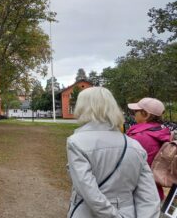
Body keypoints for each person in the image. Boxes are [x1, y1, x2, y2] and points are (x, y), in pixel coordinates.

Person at [67, 87, 160, 218]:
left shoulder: (76, 142)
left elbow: (89, 192)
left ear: (83, 107)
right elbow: (149, 197)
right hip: (127, 212)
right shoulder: (135, 145)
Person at [126, 97, 170, 200]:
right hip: (154, 190)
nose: (134, 114)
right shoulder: (160, 132)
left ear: (146, 115)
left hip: (138, 193)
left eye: (136, 111)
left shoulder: (139, 137)